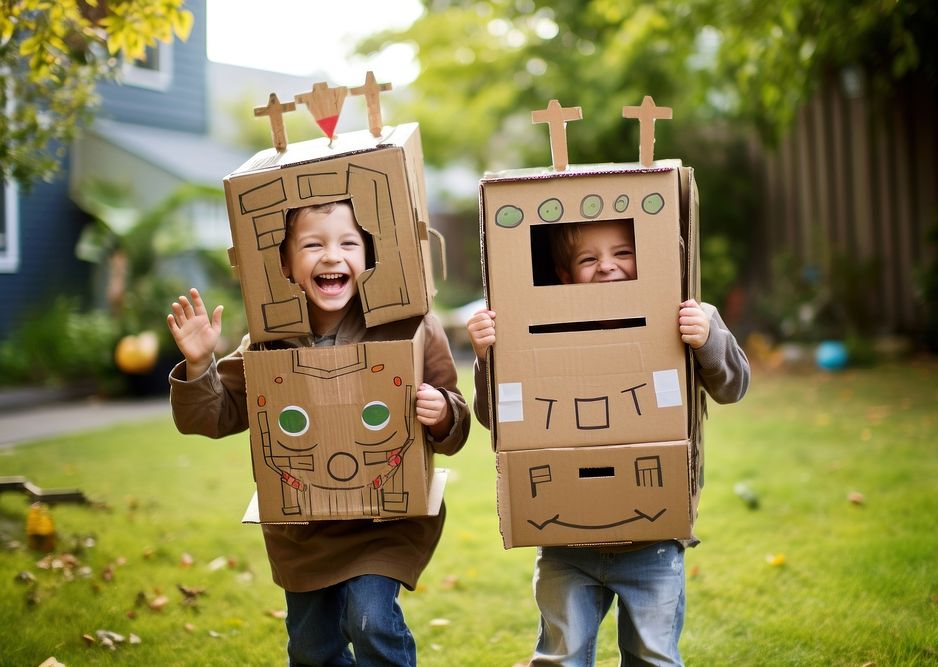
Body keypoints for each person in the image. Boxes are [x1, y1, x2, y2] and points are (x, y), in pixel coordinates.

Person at [167, 201, 471, 666]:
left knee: (371, 620)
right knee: (312, 649)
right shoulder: (267, 340)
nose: (332, 256)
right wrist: (197, 363)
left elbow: (455, 417)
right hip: (304, 531)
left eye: (348, 243)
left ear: (369, 257)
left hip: (384, 522)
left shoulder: (410, 326)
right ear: (286, 264)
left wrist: (442, 412)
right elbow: (214, 416)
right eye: (313, 245)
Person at [466, 219, 750, 666]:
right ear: (563, 277)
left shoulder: (687, 313)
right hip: (564, 541)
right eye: (588, 258)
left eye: (622, 252)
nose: (606, 267)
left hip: (652, 540)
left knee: (652, 657)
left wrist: (707, 339)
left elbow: (733, 387)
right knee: (561, 657)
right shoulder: (538, 327)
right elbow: (496, 418)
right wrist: (488, 360)